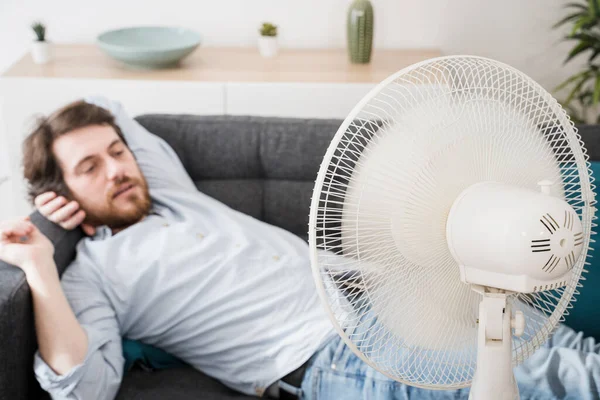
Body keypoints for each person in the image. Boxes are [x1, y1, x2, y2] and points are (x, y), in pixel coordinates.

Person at [0, 96, 599, 400]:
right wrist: (38, 261)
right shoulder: (94, 275)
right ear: (61, 189)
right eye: (89, 167)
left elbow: (121, 115)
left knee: (553, 342)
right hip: (329, 358)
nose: (117, 168)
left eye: (118, 152)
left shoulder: (175, 197)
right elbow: (86, 386)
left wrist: (88, 154)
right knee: (557, 378)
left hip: (395, 299)